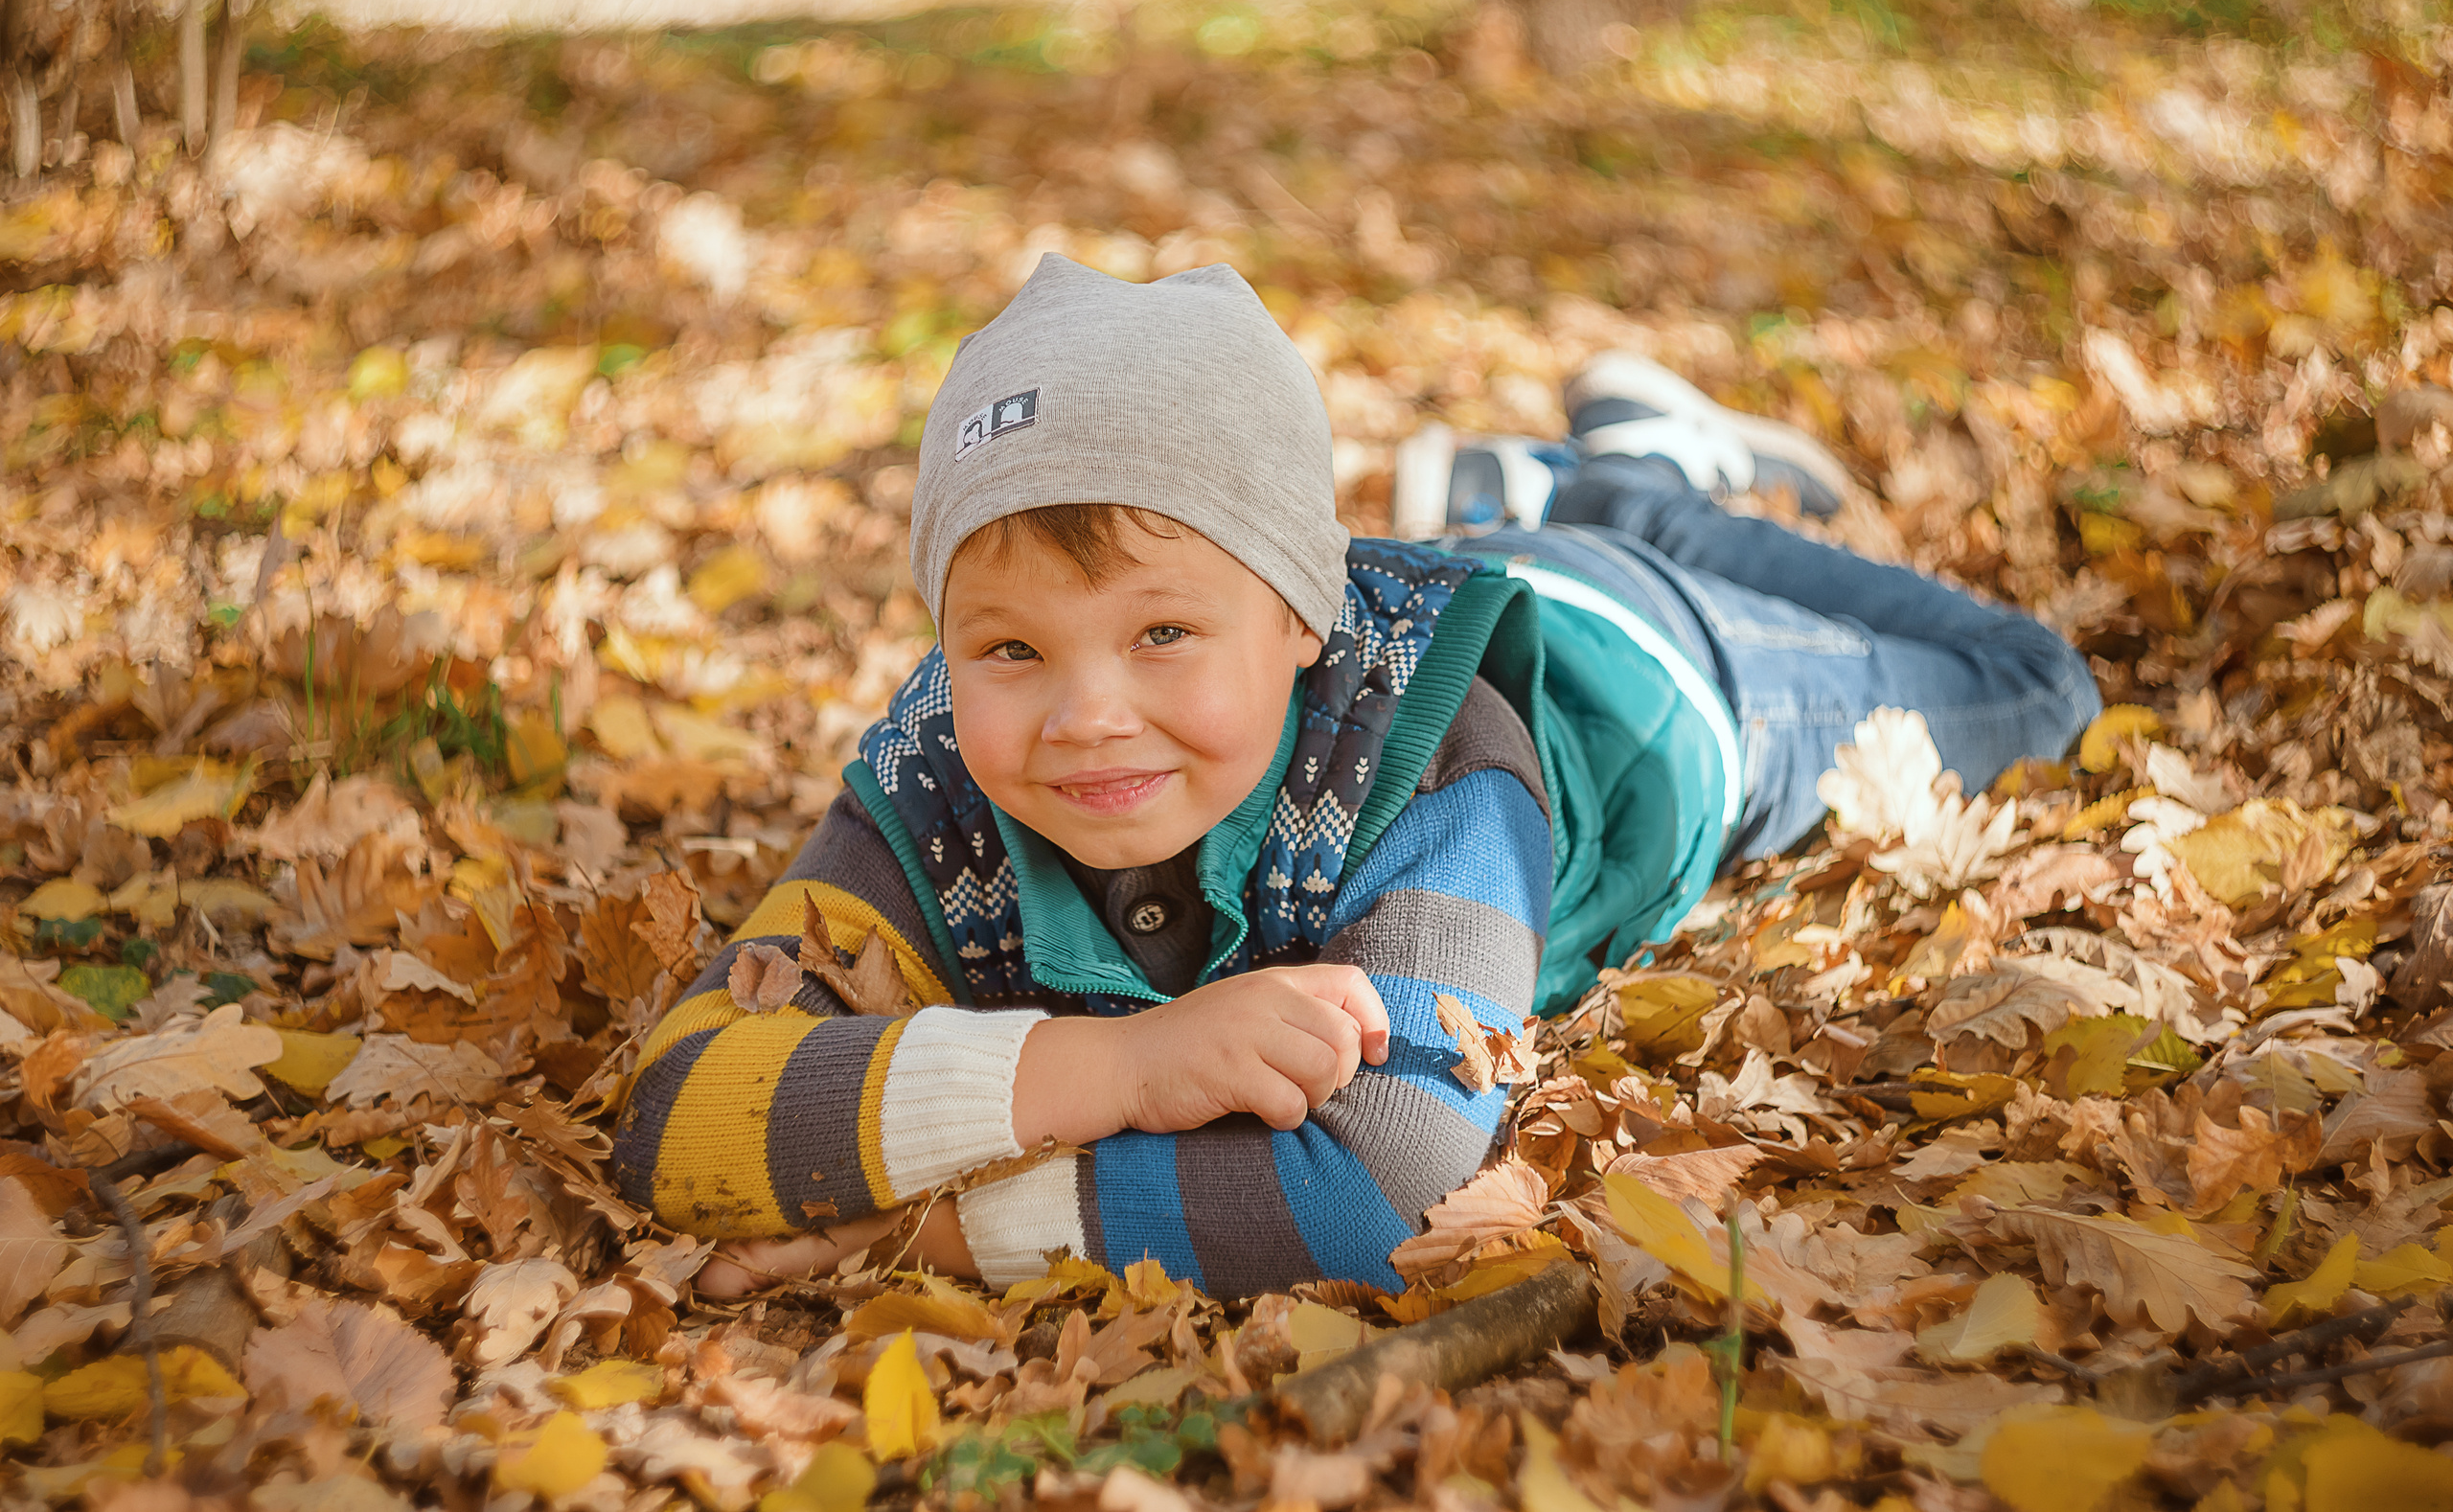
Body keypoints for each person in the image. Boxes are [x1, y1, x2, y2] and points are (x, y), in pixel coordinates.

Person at [609, 256, 2100, 1298]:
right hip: (1428, 595)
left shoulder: (1443, 775)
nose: (1086, 715)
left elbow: (1389, 1182)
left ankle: (1633, 494)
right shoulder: (937, 785)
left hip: (1647, 672)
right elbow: (677, 1108)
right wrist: (1104, 1070)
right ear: (941, 639)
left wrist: (909, 1237)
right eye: (1007, 648)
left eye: (1163, 631)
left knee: (2044, 691)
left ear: (1300, 619)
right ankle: (1593, 483)